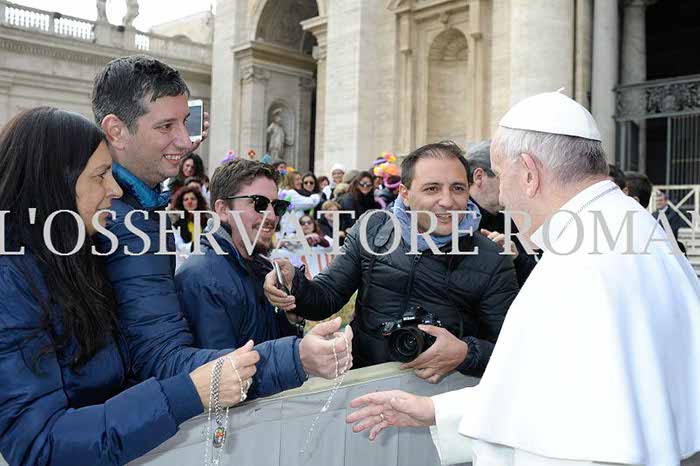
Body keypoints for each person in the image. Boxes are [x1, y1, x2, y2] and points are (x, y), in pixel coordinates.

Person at [346, 92, 700, 466]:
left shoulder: (578, 265)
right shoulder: (633, 228)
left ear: (529, 174)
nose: (500, 195)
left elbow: (573, 436)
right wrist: (435, 411)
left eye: (500, 175)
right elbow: (552, 389)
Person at [0, 108, 258, 466]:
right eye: (100, 175)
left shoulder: (77, 256)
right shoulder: (11, 281)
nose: (115, 189)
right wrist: (188, 393)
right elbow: (38, 446)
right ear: (54, 183)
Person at [91, 55, 312, 404]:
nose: (185, 141)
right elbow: (161, 361)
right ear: (116, 131)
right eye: (166, 126)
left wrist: (291, 318)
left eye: (186, 123)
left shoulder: (141, 211)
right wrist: (296, 357)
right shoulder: (126, 226)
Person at [265, 141, 519, 381]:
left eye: (458, 188)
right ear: (405, 193)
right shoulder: (373, 229)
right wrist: (294, 283)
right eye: (432, 188)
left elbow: (511, 352)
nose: (447, 201)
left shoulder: (492, 259)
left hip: (441, 398)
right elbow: (326, 297)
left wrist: (464, 353)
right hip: (364, 384)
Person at [175, 159, 351, 381]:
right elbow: (221, 380)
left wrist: (291, 318)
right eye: (259, 203)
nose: (272, 216)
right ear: (223, 210)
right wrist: (299, 357)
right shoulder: (200, 277)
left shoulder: (262, 266)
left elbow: (268, 343)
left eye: (277, 206)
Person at [465, 140, 539, 287]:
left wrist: (516, 258)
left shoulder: (511, 221)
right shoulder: (457, 220)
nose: (515, 187)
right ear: (479, 177)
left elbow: (538, 278)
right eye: (503, 177)